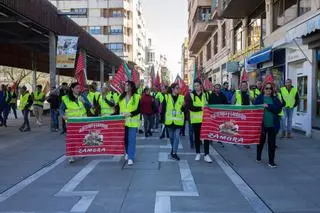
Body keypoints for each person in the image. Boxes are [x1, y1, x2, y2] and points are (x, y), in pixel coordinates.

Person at [254, 82, 282, 168]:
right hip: (262, 125)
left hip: (273, 125)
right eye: (266, 88)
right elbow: (254, 108)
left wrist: (268, 106)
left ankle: (271, 161)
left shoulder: (275, 99)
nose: (268, 90)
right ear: (263, 89)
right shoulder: (259, 98)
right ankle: (258, 157)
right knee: (261, 142)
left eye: (270, 88)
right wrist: (260, 106)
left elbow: (277, 110)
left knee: (272, 144)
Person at [60, 82, 88, 163]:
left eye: (79, 88)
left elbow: (89, 107)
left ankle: (82, 151)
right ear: (72, 89)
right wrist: (63, 115)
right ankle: (71, 156)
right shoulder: (65, 98)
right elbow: (61, 109)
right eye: (77, 88)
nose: (79, 90)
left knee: (81, 138)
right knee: (72, 140)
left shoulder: (82, 97)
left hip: (82, 122)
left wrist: (84, 102)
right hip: (72, 123)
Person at [188, 79, 212, 163]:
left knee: (206, 136)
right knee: (197, 136)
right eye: (195, 86)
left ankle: (206, 154)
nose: (196, 87)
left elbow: (210, 105)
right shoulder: (191, 95)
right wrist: (200, 108)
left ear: (201, 86)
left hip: (205, 119)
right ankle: (197, 153)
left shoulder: (206, 94)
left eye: (197, 85)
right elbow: (190, 107)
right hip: (195, 120)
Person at [118, 81, 141, 166]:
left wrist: (130, 113)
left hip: (132, 123)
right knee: (125, 140)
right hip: (122, 123)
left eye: (127, 85)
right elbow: (117, 108)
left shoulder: (137, 97)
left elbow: (139, 110)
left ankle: (130, 157)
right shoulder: (121, 97)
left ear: (131, 87)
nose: (125, 86)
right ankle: (127, 152)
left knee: (132, 140)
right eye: (125, 85)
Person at [161, 83, 185, 161]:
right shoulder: (167, 97)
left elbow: (183, 110)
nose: (178, 89)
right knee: (171, 138)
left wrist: (184, 106)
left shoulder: (182, 97)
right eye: (177, 88)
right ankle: (173, 150)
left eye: (179, 88)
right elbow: (163, 110)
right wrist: (163, 121)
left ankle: (174, 153)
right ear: (172, 89)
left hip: (178, 122)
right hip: (169, 121)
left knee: (177, 137)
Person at [232, 81, 251, 148]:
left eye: (245, 85)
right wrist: (234, 112)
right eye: (242, 85)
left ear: (247, 86)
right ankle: (235, 139)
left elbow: (251, 103)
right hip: (238, 113)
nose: (244, 87)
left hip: (247, 113)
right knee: (237, 127)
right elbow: (232, 102)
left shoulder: (249, 93)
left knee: (246, 128)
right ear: (240, 86)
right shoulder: (237, 92)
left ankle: (245, 142)